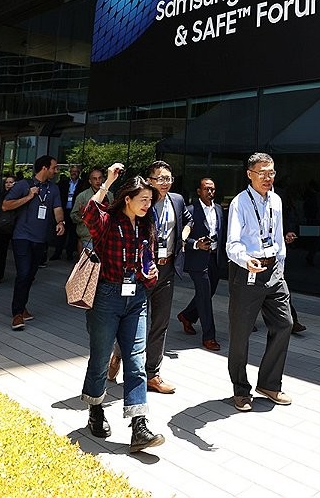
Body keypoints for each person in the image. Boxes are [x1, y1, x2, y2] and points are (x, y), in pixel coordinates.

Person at [79, 164, 165, 451]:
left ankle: (139, 426)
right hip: (107, 296)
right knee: (101, 358)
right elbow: (89, 212)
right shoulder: (107, 222)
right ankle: (95, 410)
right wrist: (109, 181)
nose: (147, 204)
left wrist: (149, 272)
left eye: (150, 201)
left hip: (137, 298)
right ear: (127, 198)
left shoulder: (145, 225)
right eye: (143, 199)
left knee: (136, 362)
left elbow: (146, 258)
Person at [225, 152, 294, 412]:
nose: (268, 177)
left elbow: (277, 237)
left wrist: (281, 268)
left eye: (272, 172)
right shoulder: (240, 203)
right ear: (249, 174)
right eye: (262, 172)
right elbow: (232, 243)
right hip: (247, 270)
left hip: (273, 269)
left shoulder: (275, 200)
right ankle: (241, 389)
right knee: (240, 333)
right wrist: (245, 260)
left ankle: (269, 383)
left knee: (284, 323)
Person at [142, 159, 192, 394]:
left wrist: (182, 235)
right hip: (143, 270)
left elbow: (189, 221)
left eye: (168, 179)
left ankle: (152, 373)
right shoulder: (143, 201)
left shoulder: (177, 200)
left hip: (167, 268)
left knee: (160, 323)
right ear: (149, 181)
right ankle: (118, 355)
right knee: (134, 320)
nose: (165, 183)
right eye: (160, 179)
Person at [2, 155, 64, 330]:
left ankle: (22, 306)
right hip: (22, 237)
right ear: (44, 168)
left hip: (40, 239)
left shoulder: (54, 188)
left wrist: (60, 222)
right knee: (23, 273)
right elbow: (6, 205)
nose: (56, 170)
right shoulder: (23, 185)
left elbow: (57, 208)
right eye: (54, 167)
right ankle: (17, 314)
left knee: (30, 275)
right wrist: (29, 197)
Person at [178, 177, 225, 350]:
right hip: (197, 259)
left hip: (214, 258)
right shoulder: (190, 210)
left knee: (208, 292)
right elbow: (181, 236)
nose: (210, 192)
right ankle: (209, 337)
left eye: (212, 189)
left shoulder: (219, 209)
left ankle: (187, 316)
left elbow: (222, 234)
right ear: (199, 191)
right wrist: (195, 244)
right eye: (206, 189)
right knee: (204, 296)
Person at [52, 164, 83, 261]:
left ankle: (69, 254)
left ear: (79, 173)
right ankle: (57, 253)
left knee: (73, 234)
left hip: (74, 211)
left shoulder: (82, 184)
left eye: (76, 171)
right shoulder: (64, 183)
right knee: (61, 233)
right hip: (64, 210)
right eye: (72, 171)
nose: (74, 173)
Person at [69, 167, 104, 251]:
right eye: (94, 179)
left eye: (99, 178)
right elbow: (73, 216)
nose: (98, 181)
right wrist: (81, 215)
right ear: (90, 181)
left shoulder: (109, 196)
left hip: (104, 237)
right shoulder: (82, 196)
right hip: (87, 238)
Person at [0, 174, 17, 284]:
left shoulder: (20, 197)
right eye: (6, 182)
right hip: (0, 228)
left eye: (11, 182)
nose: (8, 184)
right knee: (0, 252)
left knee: (20, 253)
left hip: (15, 228)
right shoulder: (0, 196)